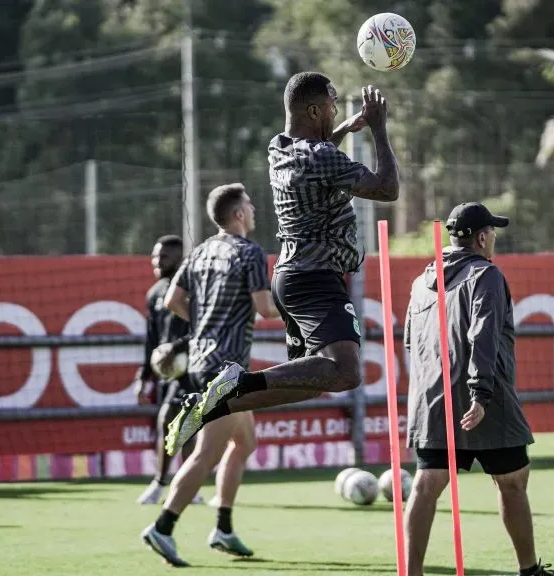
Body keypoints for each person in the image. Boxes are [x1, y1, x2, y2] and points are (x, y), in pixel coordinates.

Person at [164, 71, 399, 455]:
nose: (336, 108)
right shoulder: (320, 156)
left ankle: (213, 405)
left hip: (291, 277)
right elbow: (387, 188)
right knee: (346, 371)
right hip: (315, 277)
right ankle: (237, 382)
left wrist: (343, 127)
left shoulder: (281, 146)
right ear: (313, 109)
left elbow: (319, 152)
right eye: (332, 104)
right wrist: (378, 129)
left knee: (308, 379)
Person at [402, 202, 554, 576]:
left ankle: (411, 573)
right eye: (493, 234)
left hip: (433, 400)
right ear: (482, 237)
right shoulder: (486, 275)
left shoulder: (421, 280)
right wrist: (480, 393)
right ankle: (528, 570)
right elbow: (483, 334)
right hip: (484, 397)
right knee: (512, 480)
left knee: (426, 485)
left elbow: (410, 342)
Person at [140, 184, 280, 566]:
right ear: (238, 215)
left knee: (244, 443)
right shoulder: (250, 252)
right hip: (227, 369)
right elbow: (265, 308)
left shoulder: (200, 250)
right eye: (249, 206)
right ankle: (163, 527)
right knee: (206, 454)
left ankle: (223, 527)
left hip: (206, 362)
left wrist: (204, 329)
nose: (252, 211)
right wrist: (302, 318)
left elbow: (173, 300)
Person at [134, 235, 201, 505]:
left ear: (179, 258)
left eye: (163, 257)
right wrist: (143, 377)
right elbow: (151, 340)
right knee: (175, 423)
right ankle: (184, 487)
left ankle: (166, 485)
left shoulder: (194, 289)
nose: (156, 261)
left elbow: (203, 329)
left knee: (175, 421)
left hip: (195, 365)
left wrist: (176, 348)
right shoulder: (155, 293)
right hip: (168, 371)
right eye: (154, 256)